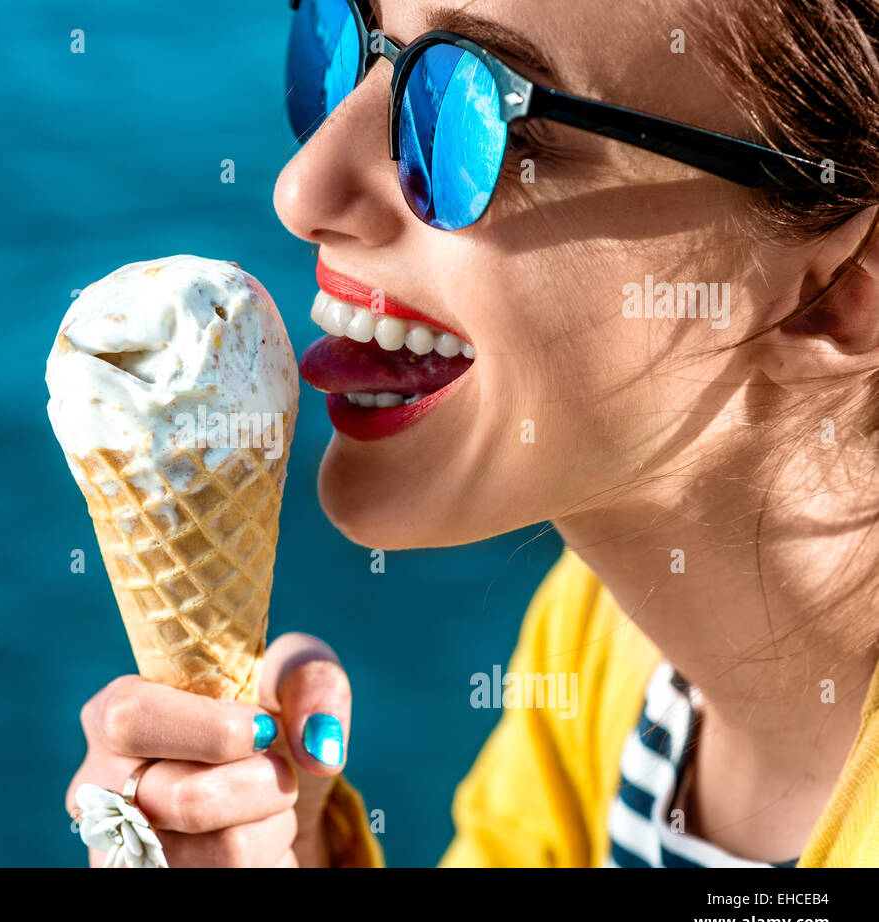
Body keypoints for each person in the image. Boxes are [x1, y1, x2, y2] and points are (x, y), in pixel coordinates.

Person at [66, 0, 879, 866]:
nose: (302, 186)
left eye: (471, 106)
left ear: (838, 293)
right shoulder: (596, 642)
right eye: (339, 41)